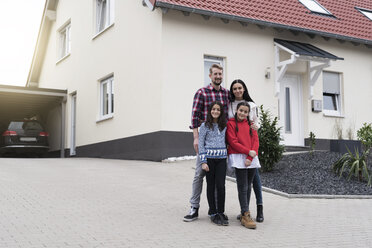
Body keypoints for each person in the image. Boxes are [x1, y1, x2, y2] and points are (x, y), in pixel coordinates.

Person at [183, 64, 229, 222]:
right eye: (215, 74)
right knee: (199, 175)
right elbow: (195, 116)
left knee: (216, 179)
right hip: (205, 141)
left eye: (220, 74)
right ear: (210, 76)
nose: (218, 76)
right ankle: (194, 207)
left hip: (220, 144)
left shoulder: (226, 94)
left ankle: (215, 210)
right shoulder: (201, 93)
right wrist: (196, 137)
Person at [228, 79, 264, 223]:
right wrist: (247, 152)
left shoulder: (252, 106)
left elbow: (255, 126)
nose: (237, 91)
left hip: (251, 151)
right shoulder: (229, 105)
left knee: (254, 182)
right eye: (235, 88)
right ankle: (245, 211)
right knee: (243, 185)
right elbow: (232, 137)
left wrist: (252, 152)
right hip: (239, 151)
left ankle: (258, 208)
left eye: (240, 88)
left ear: (244, 89)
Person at [226, 102, 259, 229]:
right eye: (241, 111)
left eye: (245, 112)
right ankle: (245, 214)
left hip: (251, 158)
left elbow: (255, 141)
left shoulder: (251, 125)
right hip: (239, 157)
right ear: (236, 110)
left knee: (249, 186)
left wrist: (251, 156)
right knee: (242, 186)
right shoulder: (231, 123)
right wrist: (247, 152)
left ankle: (244, 211)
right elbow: (233, 142)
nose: (243, 113)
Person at [198, 101, 228, 226]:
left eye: (218, 110)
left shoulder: (224, 125)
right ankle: (213, 212)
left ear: (221, 112)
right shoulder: (205, 126)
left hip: (221, 159)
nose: (215, 111)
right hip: (209, 160)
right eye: (213, 109)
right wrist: (203, 161)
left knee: (221, 185)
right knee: (211, 185)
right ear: (210, 111)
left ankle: (220, 211)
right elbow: (201, 144)